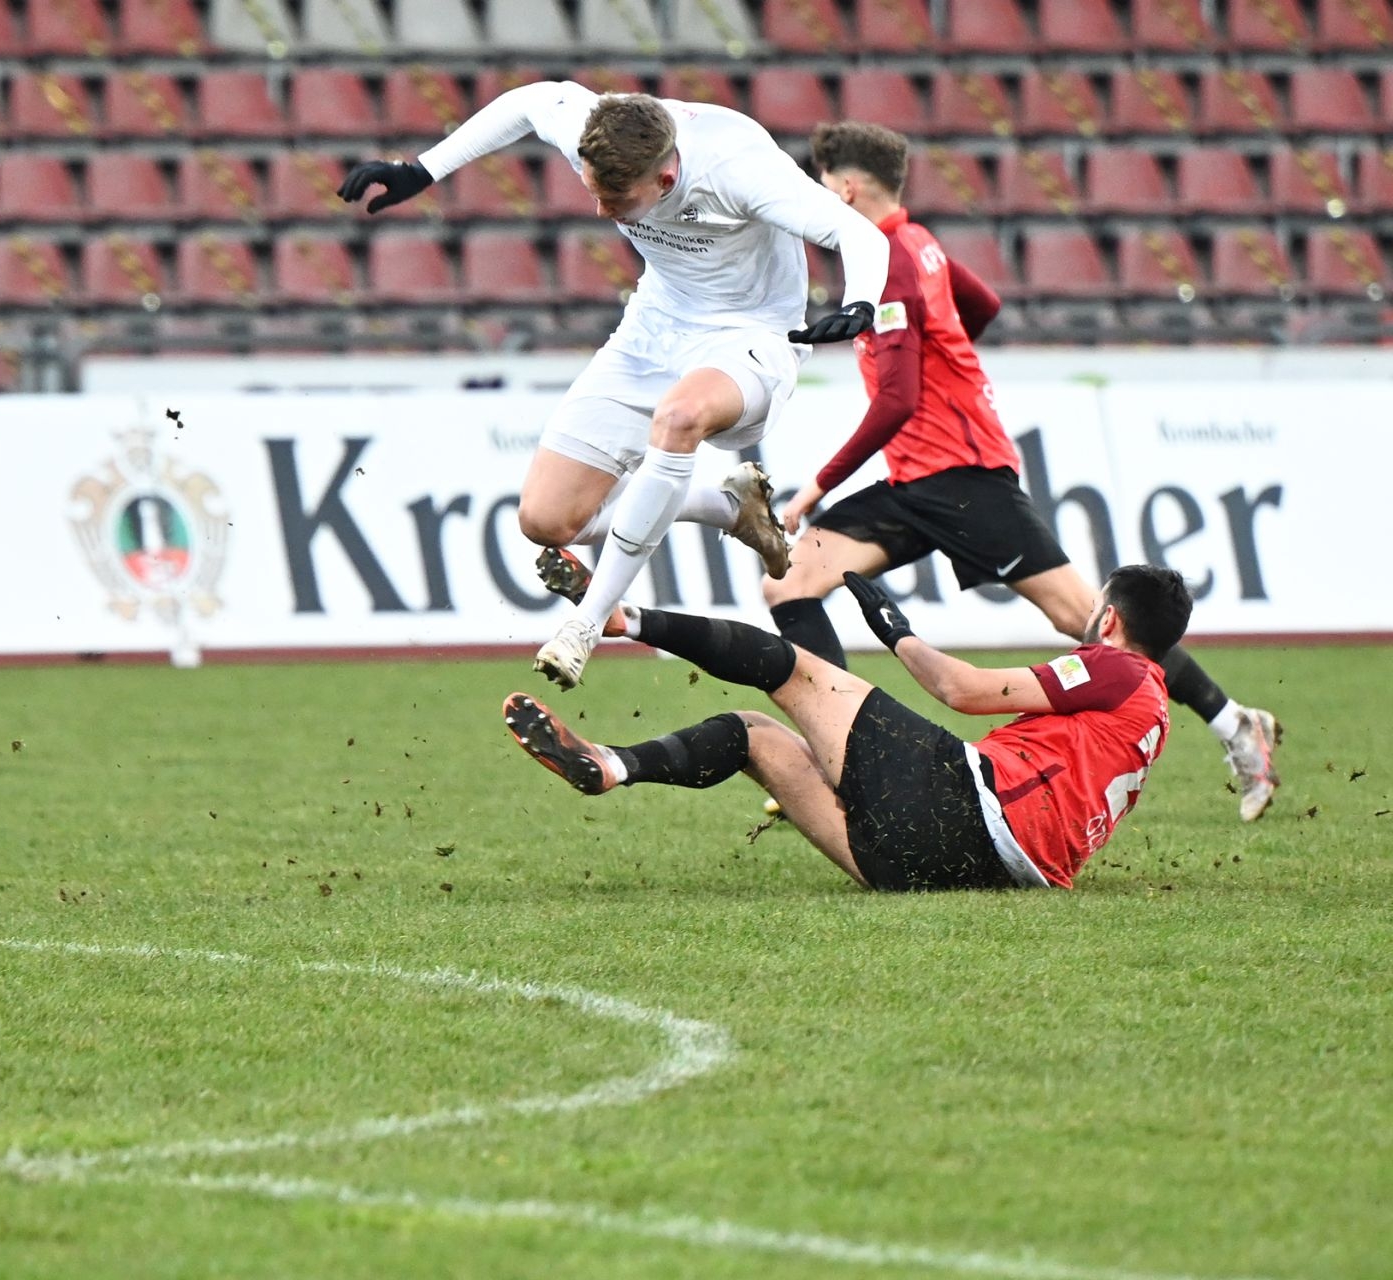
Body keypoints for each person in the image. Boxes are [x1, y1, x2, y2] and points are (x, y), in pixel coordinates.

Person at [761, 121, 1280, 821]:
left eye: (826, 184)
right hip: (916, 481)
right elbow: (983, 305)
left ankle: (1235, 723)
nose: (822, 197)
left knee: (1087, 621)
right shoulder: (918, 244)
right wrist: (946, 353)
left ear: (848, 188)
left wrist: (817, 487)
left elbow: (898, 401)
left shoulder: (893, 262)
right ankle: (841, 755)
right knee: (789, 582)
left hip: (966, 477)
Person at [338, 84, 889, 691]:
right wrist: (421, 170)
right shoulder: (598, 130)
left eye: (617, 199)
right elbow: (531, 102)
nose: (602, 212)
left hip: (750, 337)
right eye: (594, 192)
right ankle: (730, 509)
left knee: (679, 419)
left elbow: (862, 234)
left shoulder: (738, 168)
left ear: (666, 176)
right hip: (653, 329)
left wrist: (860, 301)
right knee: (547, 520)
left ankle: (586, 624)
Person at [502, 564, 1192, 892]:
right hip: (966, 873)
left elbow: (961, 689)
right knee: (753, 735)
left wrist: (896, 632)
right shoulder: (1153, 712)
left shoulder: (1115, 667)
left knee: (786, 666)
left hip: (965, 811)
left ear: (1109, 620)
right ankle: (612, 764)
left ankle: (624, 619)